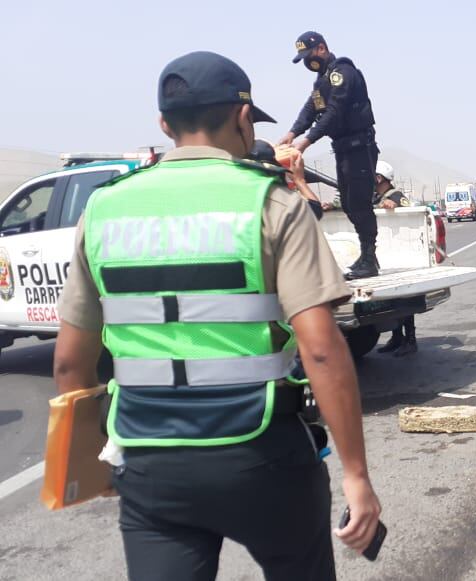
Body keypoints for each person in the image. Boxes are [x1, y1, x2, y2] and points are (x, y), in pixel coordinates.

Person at [53, 51, 381, 581]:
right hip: (262, 457)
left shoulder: (104, 209)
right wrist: (357, 478)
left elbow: (71, 364)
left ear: (165, 124)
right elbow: (321, 349)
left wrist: (96, 465)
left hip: (149, 460)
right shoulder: (271, 203)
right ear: (242, 116)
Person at [279, 31, 380, 279]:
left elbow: (334, 112)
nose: (307, 61)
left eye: (309, 54)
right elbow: (311, 108)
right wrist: (292, 133)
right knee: (347, 204)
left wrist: (306, 141)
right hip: (344, 149)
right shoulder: (322, 81)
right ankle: (367, 256)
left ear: (322, 48)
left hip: (359, 147)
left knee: (360, 203)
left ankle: (370, 258)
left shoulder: (342, 73)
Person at [370, 161, 417, 357]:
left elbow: (405, 210)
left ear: (379, 178)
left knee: (403, 302)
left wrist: (393, 205)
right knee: (392, 301)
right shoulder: (376, 197)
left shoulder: (396, 196)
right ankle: (397, 337)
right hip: (384, 257)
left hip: (401, 258)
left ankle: (410, 340)